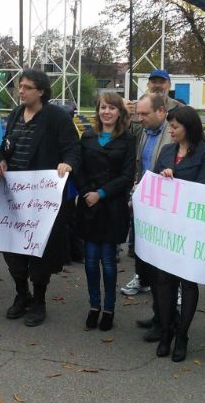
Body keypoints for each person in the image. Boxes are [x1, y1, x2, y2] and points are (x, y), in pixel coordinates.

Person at [0, 69, 80, 327]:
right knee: (12, 249)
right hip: (13, 195)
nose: (21, 91)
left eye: (27, 87)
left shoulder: (56, 117)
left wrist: (67, 163)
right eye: (19, 86)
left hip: (41, 198)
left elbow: (72, 147)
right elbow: (7, 145)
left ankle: (39, 301)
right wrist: (2, 159)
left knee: (39, 252)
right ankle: (22, 293)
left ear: (41, 91)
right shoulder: (15, 114)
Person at [153, 105, 205, 362]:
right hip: (166, 226)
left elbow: (204, 189)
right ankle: (166, 330)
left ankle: (182, 334)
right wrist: (162, 176)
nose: (170, 130)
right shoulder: (167, 151)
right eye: (170, 126)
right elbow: (153, 180)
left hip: (190, 227)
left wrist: (175, 180)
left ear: (188, 128)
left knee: (187, 282)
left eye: (175, 127)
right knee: (163, 280)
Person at [74, 93, 135, 332]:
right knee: (90, 261)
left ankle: (109, 309)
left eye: (111, 108)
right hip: (89, 206)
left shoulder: (128, 139)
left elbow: (127, 176)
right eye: (102, 107)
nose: (106, 112)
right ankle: (94, 305)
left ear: (119, 112)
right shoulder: (88, 137)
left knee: (108, 263)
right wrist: (87, 192)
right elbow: (79, 169)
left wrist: (101, 193)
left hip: (112, 206)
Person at [124, 94, 175, 344]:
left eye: (144, 114)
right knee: (148, 265)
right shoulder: (145, 133)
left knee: (163, 271)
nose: (139, 118)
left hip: (166, 210)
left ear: (161, 111)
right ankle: (158, 316)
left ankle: (166, 321)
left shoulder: (172, 135)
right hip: (146, 205)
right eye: (138, 113)